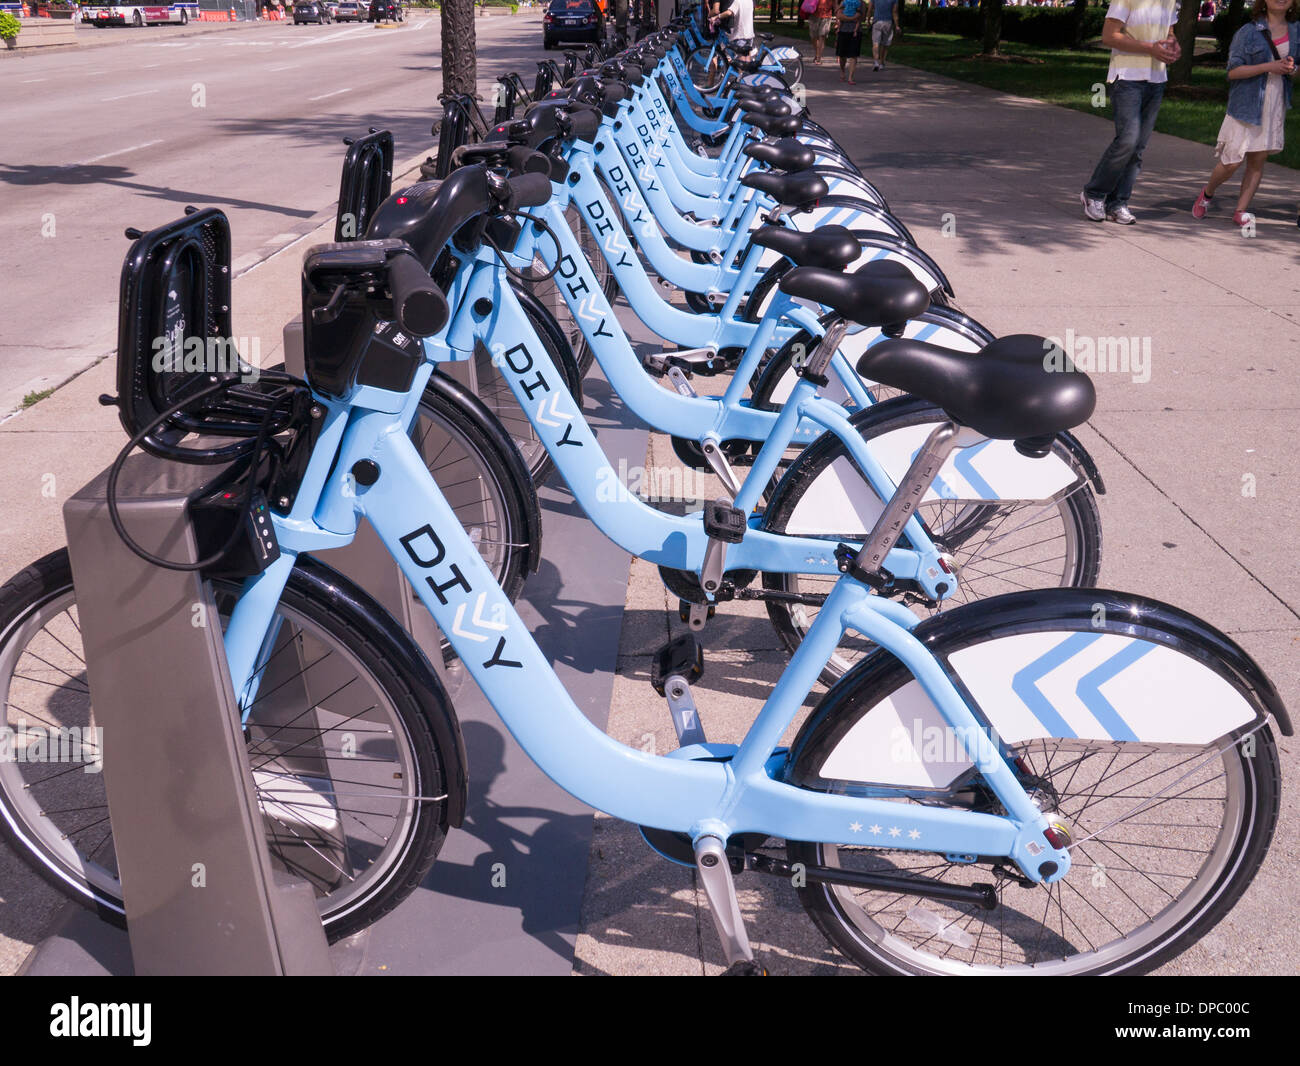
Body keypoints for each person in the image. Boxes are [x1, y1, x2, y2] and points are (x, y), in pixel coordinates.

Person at [1192, 0, 1300, 225]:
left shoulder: (1296, 31)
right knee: (1232, 162)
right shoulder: (1248, 31)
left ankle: (1240, 211)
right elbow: (1232, 72)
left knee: (1257, 161)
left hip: (1274, 103)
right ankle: (1208, 193)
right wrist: (1269, 67)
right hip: (1246, 104)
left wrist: (1293, 69)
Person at [1080, 0, 1181, 225]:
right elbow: (1109, 36)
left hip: (1156, 79)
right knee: (1128, 140)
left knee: (1138, 148)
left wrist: (1173, 42)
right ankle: (1094, 194)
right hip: (1128, 78)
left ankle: (1118, 203)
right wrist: (1149, 47)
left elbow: (1169, 29)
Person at [836, 0, 865, 83]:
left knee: (853, 54)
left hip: (856, 31)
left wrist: (847, 17)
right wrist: (851, 18)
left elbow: (861, 17)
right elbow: (839, 15)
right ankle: (842, 71)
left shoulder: (861, 3)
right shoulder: (844, 2)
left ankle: (850, 77)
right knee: (842, 55)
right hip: (843, 30)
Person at [868, 0, 900, 71]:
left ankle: (876, 62)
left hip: (877, 22)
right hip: (888, 22)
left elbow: (870, 9)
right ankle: (881, 63)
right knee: (885, 44)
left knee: (875, 43)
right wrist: (897, 25)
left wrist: (868, 20)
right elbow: (895, 12)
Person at [809, 0, 835, 64]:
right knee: (813, 37)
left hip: (826, 15)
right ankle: (817, 53)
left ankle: (818, 58)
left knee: (822, 36)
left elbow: (835, 3)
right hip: (814, 14)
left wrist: (838, 18)